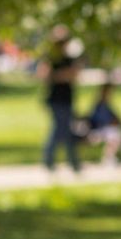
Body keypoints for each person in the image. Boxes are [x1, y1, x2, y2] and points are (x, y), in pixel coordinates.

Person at [41, 30, 80, 173]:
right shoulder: (51, 59)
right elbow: (45, 76)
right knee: (58, 130)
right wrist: (62, 75)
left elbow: (74, 75)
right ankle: (50, 160)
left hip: (67, 98)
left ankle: (73, 162)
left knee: (67, 130)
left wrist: (59, 75)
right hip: (55, 99)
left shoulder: (69, 59)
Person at [84, 82, 121, 166]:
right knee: (115, 134)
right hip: (96, 131)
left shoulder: (105, 104)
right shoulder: (100, 105)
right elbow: (102, 121)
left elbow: (115, 118)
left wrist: (119, 121)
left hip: (104, 129)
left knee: (118, 135)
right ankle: (110, 158)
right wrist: (116, 122)